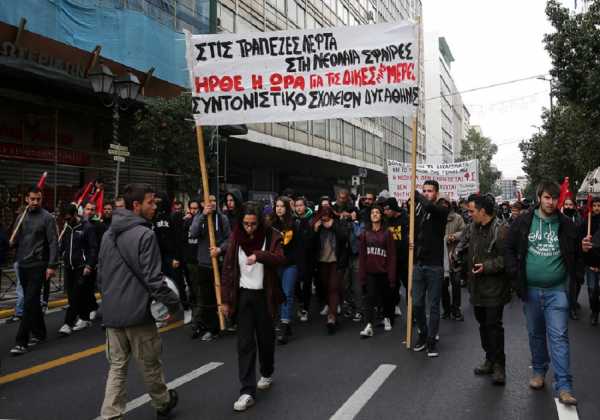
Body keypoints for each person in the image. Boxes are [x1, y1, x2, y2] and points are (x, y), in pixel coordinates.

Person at [98, 183, 180, 420]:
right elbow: (154, 280)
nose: (155, 206)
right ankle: (163, 402)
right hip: (138, 313)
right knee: (150, 363)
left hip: (112, 314)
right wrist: (174, 305)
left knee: (117, 367)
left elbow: (101, 277)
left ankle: (111, 415)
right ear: (136, 206)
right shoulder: (145, 234)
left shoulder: (107, 235)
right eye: (150, 202)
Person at [505, 181, 578, 406]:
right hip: (532, 292)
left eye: (554, 198)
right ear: (539, 197)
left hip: (557, 291)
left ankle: (564, 386)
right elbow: (508, 248)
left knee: (559, 337)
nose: (551, 202)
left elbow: (576, 253)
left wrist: (586, 250)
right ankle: (538, 371)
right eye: (547, 197)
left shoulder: (566, 224)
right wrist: (515, 275)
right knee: (536, 334)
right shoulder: (523, 222)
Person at [220, 202, 286, 412]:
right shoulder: (235, 238)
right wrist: (226, 300)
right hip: (244, 296)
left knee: (265, 341)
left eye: (253, 224)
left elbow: (280, 258)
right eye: (246, 224)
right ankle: (247, 390)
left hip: (265, 295)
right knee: (245, 343)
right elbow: (228, 269)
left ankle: (267, 371)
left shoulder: (272, 235)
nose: (249, 228)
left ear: (260, 223)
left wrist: (259, 255)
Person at [454, 195, 510, 385]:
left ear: (482, 211)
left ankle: (499, 366)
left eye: (471, 211)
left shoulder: (501, 229)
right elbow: (462, 246)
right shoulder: (472, 227)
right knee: (483, 325)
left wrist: (486, 267)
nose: (469, 215)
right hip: (476, 287)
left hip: (495, 288)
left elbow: (507, 259)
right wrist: (457, 256)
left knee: (494, 326)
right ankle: (489, 358)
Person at [9, 186, 58, 356]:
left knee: (29, 301)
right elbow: (15, 239)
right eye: (32, 199)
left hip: (39, 265)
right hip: (23, 264)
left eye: (38, 199)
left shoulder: (47, 218)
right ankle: (40, 332)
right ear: (27, 199)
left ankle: (21, 341)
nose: (35, 202)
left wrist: (52, 265)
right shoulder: (21, 216)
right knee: (33, 301)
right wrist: (11, 243)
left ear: (41, 199)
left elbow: (53, 242)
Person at [412, 180, 449, 358]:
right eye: (424, 190)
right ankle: (423, 332)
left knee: (433, 305)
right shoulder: (419, 210)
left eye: (429, 191)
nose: (426, 193)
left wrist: (417, 195)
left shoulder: (441, 208)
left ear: (436, 193)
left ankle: (432, 339)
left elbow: (430, 208)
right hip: (419, 264)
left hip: (434, 265)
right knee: (417, 303)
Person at [189, 195, 231, 341]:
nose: (212, 203)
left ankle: (224, 321)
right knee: (206, 297)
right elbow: (193, 233)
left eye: (214, 201)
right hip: (204, 263)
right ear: (202, 203)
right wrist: (202, 216)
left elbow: (229, 239)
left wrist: (220, 249)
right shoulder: (199, 218)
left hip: (219, 263)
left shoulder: (223, 218)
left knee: (221, 294)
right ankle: (211, 328)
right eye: (209, 201)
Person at [58, 204, 98, 336]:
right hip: (69, 266)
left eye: (69, 218)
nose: (67, 221)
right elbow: (63, 245)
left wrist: (89, 265)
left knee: (76, 294)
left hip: (81, 267)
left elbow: (93, 248)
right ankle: (85, 318)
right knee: (73, 295)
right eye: (65, 219)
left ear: (76, 214)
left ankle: (67, 324)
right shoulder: (67, 228)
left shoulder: (87, 228)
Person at [358, 205, 396, 338]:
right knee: (369, 298)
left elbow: (391, 256)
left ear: (381, 216)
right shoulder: (364, 234)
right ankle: (368, 325)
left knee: (385, 298)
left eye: (377, 212)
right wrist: (361, 275)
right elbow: (362, 256)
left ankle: (386, 317)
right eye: (372, 213)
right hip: (370, 272)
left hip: (384, 271)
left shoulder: (387, 233)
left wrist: (391, 276)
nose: (374, 214)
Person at [312, 206, 350, 334]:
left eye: (327, 216)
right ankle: (332, 307)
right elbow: (309, 243)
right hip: (322, 262)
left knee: (333, 287)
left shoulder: (338, 224)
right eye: (323, 216)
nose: (325, 219)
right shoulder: (316, 224)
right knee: (325, 286)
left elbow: (344, 237)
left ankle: (331, 317)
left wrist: (333, 225)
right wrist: (315, 229)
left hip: (335, 261)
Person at [272, 196, 299, 345]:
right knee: (277, 294)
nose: (279, 208)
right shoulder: (271, 224)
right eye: (277, 206)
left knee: (287, 294)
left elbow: (298, 247)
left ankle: (283, 325)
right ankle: (286, 324)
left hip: (290, 264)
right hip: (276, 264)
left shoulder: (294, 224)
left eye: (282, 206)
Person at [439, 196, 466, 321]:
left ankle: (456, 309)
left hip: (454, 255)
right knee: (443, 286)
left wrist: (453, 237)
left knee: (456, 284)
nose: (443, 206)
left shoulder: (457, 218)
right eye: (441, 203)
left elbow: (464, 232)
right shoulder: (435, 217)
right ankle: (446, 310)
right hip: (440, 256)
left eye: (445, 203)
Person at [383, 197, 408, 320]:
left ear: (393, 208)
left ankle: (412, 313)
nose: (385, 212)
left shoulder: (406, 219)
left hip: (404, 259)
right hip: (392, 259)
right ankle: (394, 307)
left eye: (387, 209)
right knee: (392, 285)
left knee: (408, 285)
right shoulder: (387, 221)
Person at [181, 199, 202, 335]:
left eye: (196, 208)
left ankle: (198, 321)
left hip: (199, 260)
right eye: (191, 208)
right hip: (189, 260)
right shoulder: (186, 222)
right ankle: (195, 316)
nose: (193, 211)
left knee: (199, 292)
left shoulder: (201, 221)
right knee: (193, 291)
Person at [294, 197, 314, 323]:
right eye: (296, 205)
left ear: (305, 206)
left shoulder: (311, 219)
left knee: (306, 284)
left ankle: (305, 308)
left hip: (308, 257)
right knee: (295, 283)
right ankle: (301, 303)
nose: (299, 208)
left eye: (301, 205)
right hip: (295, 257)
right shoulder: (292, 219)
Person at [581, 197, 600, 325]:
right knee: (592, 290)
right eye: (594, 205)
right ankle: (594, 311)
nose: (597, 208)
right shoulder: (586, 222)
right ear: (591, 207)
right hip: (590, 263)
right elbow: (582, 245)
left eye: (599, 205)